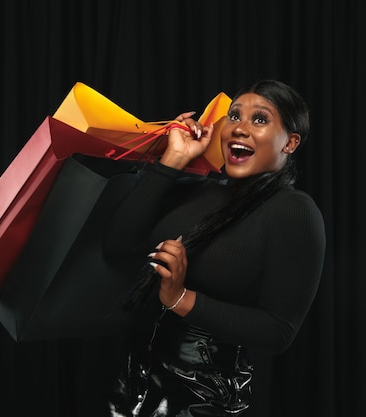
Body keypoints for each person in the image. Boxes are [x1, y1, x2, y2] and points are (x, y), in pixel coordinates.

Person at [102, 79, 326, 416]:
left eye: (260, 120)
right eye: (234, 117)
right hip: (128, 387)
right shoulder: (201, 190)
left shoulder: (293, 210)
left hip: (200, 397)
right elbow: (117, 245)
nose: (240, 129)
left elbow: (278, 331)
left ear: (290, 142)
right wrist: (174, 159)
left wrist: (180, 298)